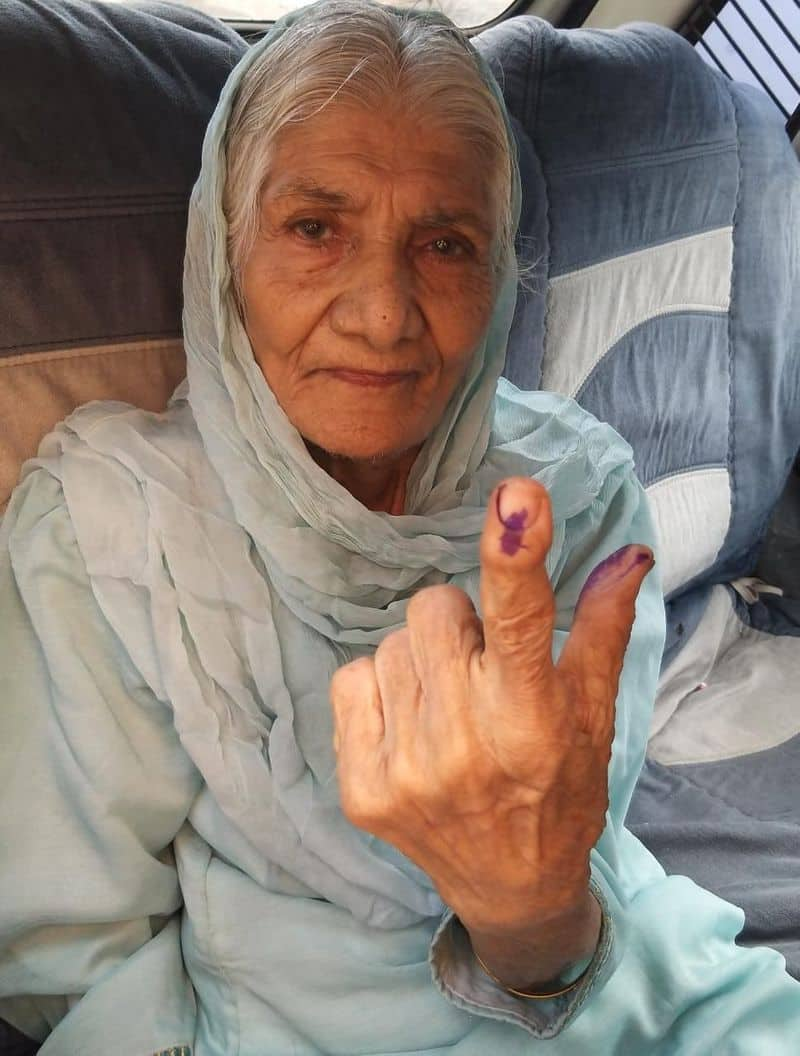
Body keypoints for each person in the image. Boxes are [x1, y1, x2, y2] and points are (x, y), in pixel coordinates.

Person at [0, 2, 798, 1053]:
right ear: (222, 247)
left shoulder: (572, 485)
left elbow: (577, 861)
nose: (381, 311)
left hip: (606, 976)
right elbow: (76, 959)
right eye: (314, 229)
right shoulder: (112, 524)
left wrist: (531, 922)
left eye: (444, 243)